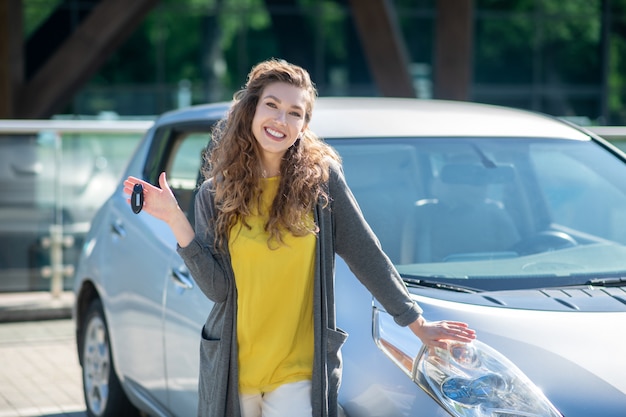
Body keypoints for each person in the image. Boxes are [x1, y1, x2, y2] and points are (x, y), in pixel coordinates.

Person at [124, 58, 476, 417]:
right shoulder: (215, 195)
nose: (280, 120)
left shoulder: (321, 185)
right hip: (234, 368)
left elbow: (366, 253)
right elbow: (218, 291)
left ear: (305, 124)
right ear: (251, 110)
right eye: (272, 106)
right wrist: (173, 219)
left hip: (298, 372)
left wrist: (416, 323)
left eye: (295, 112)